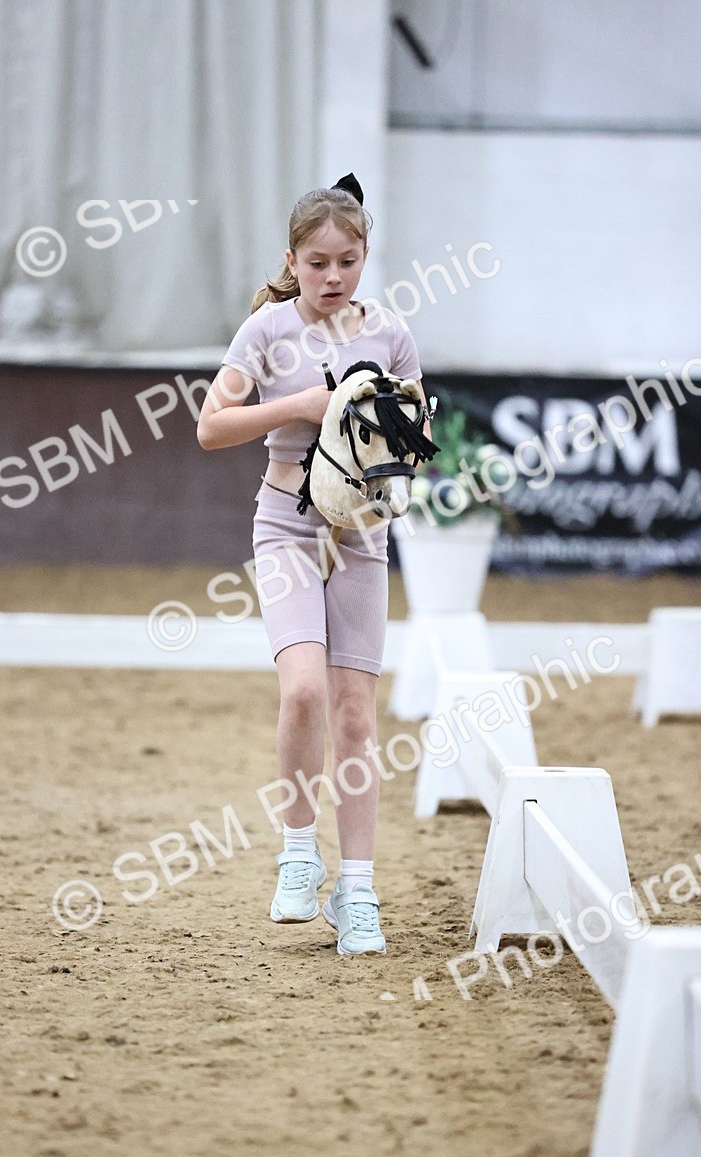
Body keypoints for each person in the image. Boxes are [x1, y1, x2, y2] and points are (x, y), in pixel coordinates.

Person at [197, 173, 430, 955]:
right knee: (302, 695)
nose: (334, 277)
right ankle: (298, 855)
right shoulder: (265, 331)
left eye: (349, 261)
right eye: (319, 262)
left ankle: (357, 893)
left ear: (366, 257)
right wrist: (299, 408)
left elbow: (412, 444)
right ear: (293, 259)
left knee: (358, 719)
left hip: (360, 536)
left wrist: (391, 436)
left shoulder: (391, 336)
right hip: (286, 530)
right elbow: (211, 426)